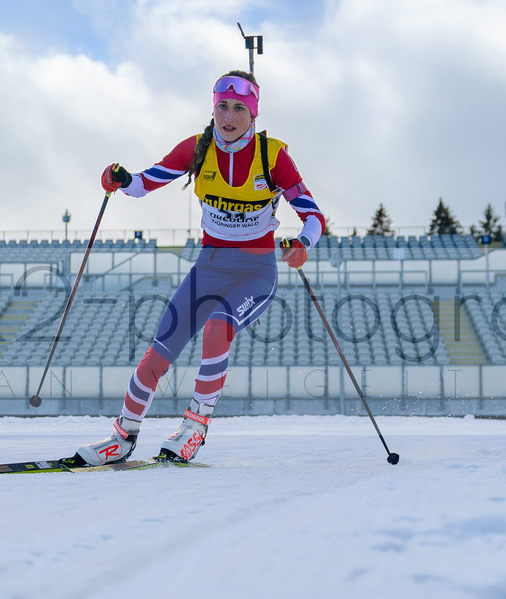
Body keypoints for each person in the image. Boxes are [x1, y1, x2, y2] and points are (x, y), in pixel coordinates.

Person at [73, 70, 325, 465]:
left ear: (253, 113)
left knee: (217, 329)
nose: (229, 116)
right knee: (160, 350)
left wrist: (301, 244)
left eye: (239, 108)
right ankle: (122, 437)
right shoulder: (198, 148)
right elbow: (142, 184)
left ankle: (194, 428)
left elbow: (313, 215)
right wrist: (119, 179)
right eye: (222, 106)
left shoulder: (271, 156)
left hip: (255, 271)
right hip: (208, 267)